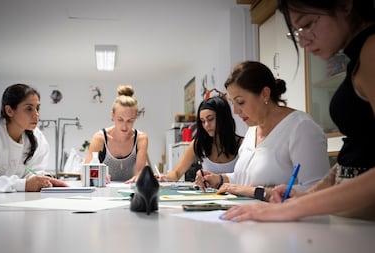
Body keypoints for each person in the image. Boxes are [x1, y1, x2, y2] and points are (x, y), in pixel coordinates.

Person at [221, 0, 375, 222]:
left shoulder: (371, 49)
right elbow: (353, 157)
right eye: (296, 31)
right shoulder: (358, 58)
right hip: (350, 214)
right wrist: (304, 197)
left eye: (308, 24)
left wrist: (290, 208)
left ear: (345, 5)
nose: (302, 41)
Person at [195, 61, 330, 200]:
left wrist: (256, 192)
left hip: (284, 219)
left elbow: (318, 190)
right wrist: (218, 179)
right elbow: (244, 178)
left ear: (265, 94)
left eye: (240, 102)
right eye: (232, 103)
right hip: (248, 216)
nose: (235, 111)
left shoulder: (302, 128)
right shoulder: (253, 129)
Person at [0, 83, 67, 192]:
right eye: (29, 109)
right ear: (9, 111)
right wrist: (22, 185)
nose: (36, 114)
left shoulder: (37, 137)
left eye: (37, 108)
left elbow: (34, 172)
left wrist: (41, 181)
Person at [156, 96, 243, 182]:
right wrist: (164, 178)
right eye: (202, 121)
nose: (206, 125)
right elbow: (177, 173)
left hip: (235, 194)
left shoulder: (242, 144)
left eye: (210, 119)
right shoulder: (199, 144)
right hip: (209, 195)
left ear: (223, 118)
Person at [85, 85, 148, 183]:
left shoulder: (141, 139)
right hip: (102, 193)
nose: (124, 126)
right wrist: (96, 176)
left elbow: (139, 173)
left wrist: (140, 177)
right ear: (112, 115)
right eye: (120, 120)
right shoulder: (100, 138)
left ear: (135, 117)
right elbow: (84, 174)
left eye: (130, 121)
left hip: (130, 192)